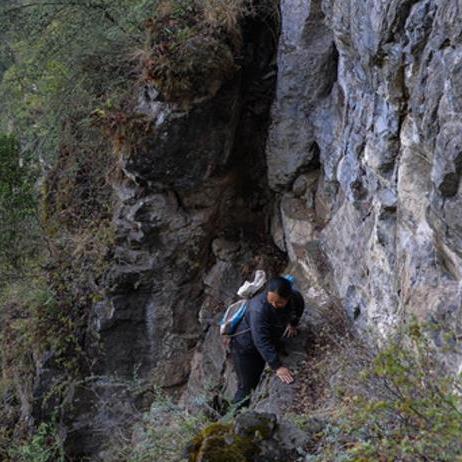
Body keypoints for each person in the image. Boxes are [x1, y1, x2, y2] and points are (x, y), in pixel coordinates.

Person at [230, 276, 305, 407]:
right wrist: (277, 366)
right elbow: (260, 340)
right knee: (246, 386)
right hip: (245, 348)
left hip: (269, 340)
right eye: (271, 301)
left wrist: (293, 324)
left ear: (288, 297)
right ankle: (234, 419)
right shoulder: (258, 309)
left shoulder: (295, 298)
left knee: (256, 379)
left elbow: (298, 309)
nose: (274, 305)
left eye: (279, 302)